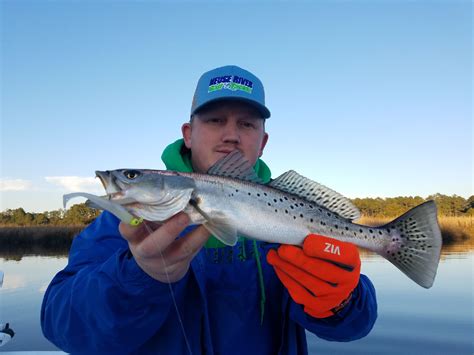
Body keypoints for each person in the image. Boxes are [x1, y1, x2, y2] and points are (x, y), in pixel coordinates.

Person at [41, 65, 377, 354]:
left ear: (263, 142)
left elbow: (353, 327)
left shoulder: (287, 212)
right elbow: (61, 324)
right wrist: (139, 276)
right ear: (188, 134)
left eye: (247, 124)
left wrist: (342, 302)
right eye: (215, 120)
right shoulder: (121, 224)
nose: (231, 135)